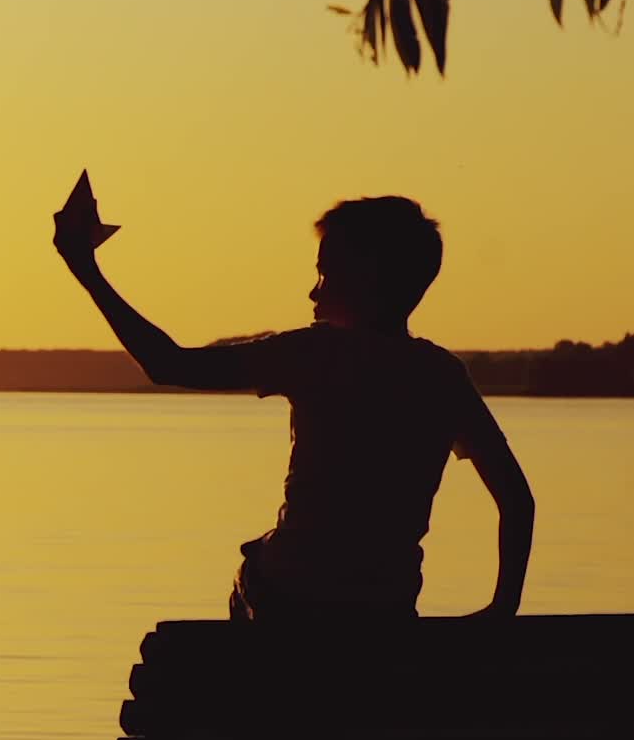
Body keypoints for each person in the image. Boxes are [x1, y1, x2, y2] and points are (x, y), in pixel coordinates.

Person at [52, 193, 534, 620]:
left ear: (362, 279)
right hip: (385, 611)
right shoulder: (442, 377)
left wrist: (87, 270)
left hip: (291, 603)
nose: (313, 290)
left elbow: (167, 363)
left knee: (257, 565)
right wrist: (502, 610)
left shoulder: (312, 355)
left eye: (325, 273)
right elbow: (516, 499)